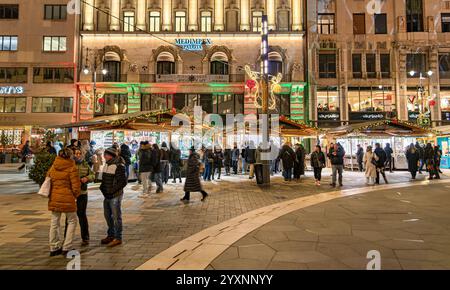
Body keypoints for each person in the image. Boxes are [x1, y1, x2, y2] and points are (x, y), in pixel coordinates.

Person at [47, 148, 81, 256]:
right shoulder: (72, 167)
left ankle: (54, 247)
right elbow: (76, 187)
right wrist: (75, 195)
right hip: (68, 198)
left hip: (54, 197)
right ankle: (67, 247)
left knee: (54, 222)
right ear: (70, 156)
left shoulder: (53, 166)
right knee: (72, 221)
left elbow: (48, 180)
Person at [99, 147, 127, 247]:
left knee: (116, 217)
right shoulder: (107, 164)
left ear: (110, 155)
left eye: (105, 155)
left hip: (115, 195)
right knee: (107, 216)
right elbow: (104, 179)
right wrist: (102, 188)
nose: (104, 157)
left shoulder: (119, 165)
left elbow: (123, 182)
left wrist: (111, 191)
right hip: (107, 195)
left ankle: (118, 237)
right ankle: (110, 235)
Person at [73, 148, 95, 246]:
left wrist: (87, 178)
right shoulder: (69, 164)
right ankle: (67, 238)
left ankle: (85, 237)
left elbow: (92, 175)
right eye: (75, 153)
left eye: (79, 153)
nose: (77, 155)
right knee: (69, 217)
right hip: (71, 194)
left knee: (82, 215)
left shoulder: (85, 164)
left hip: (82, 193)